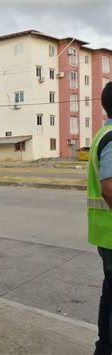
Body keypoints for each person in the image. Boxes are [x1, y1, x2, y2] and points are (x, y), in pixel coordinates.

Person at [89, 82, 112, 355]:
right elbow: (108, 187)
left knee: (110, 294)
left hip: (105, 231)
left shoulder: (102, 133)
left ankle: (104, 347)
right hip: (110, 232)